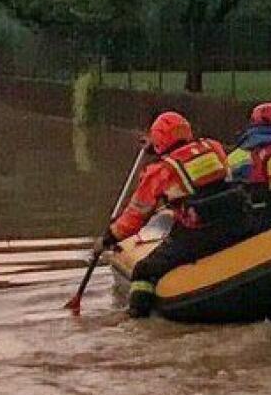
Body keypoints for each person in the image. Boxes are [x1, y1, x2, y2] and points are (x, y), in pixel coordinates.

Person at [103, 111, 253, 318]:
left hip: (198, 234)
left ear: (158, 141)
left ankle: (137, 318)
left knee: (143, 271)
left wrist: (109, 238)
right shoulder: (214, 147)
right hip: (238, 223)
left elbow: (135, 216)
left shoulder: (160, 171)